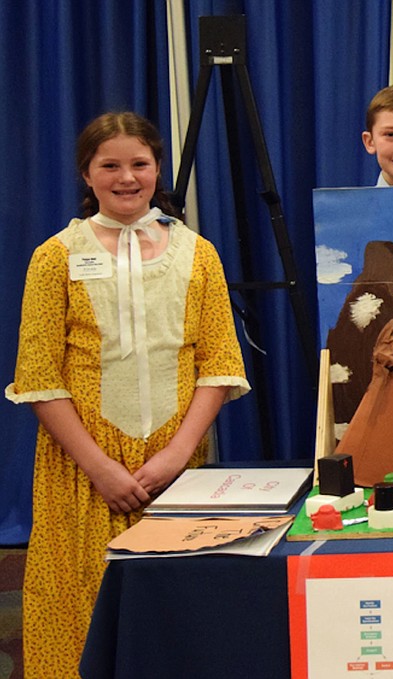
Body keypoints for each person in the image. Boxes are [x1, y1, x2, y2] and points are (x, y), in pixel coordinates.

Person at [5, 111, 250, 677]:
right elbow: (39, 378)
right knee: (80, 601)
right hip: (84, 470)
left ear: (157, 168)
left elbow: (218, 367)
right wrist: (100, 469)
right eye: (109, 165)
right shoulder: (54, 257)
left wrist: (174, 458)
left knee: (173, 604)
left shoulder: (199, 254)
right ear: (85, 175)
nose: (126, 177)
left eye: (139, 164)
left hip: (176, 463)